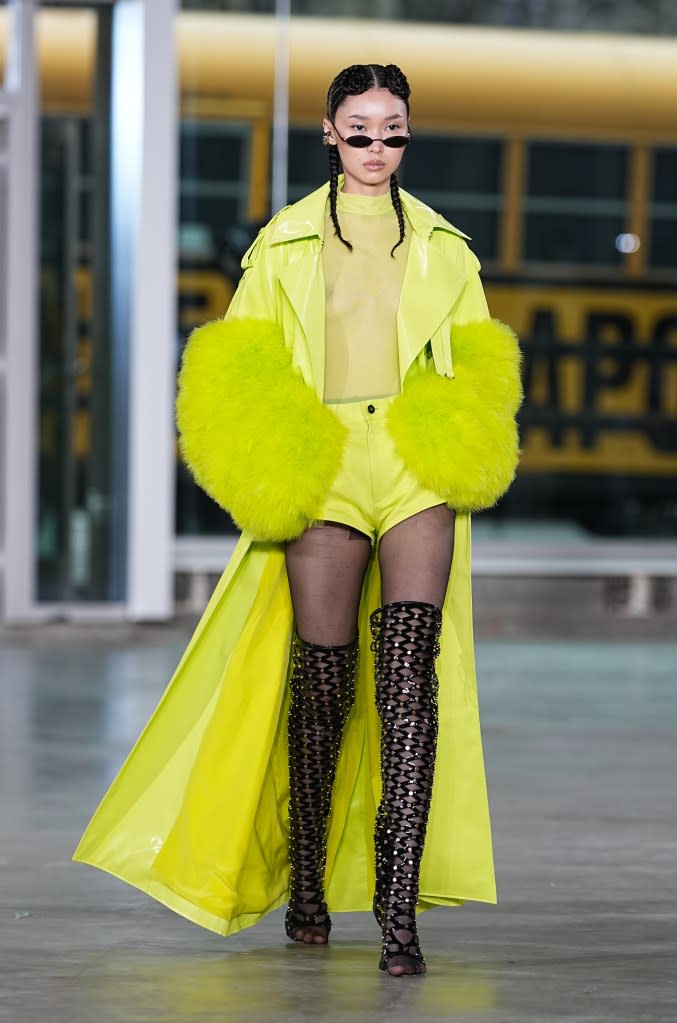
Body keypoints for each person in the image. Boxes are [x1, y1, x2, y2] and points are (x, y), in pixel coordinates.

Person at [74, 63, 521, 978]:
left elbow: (479, 365)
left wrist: (460, 441)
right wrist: (274, 466)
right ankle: (308, 881)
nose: (376, 149)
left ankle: (398, 910)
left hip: (412, 461)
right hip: (320, 465)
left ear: (407, 134)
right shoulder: (281, 244)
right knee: (321, 689)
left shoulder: (445, 246)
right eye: (359, 131)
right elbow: (235, 373)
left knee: (408, 684)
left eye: (392, 132)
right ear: (327, 132)